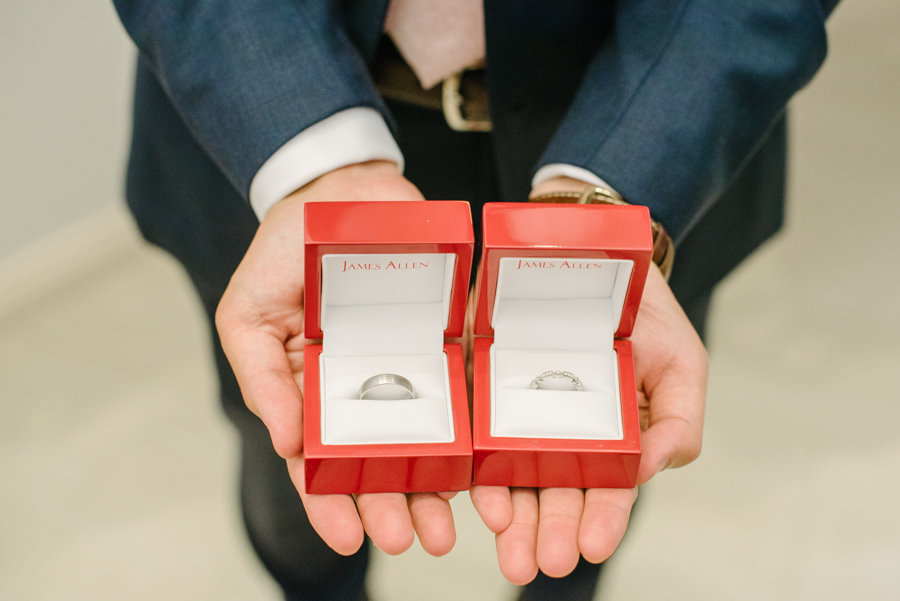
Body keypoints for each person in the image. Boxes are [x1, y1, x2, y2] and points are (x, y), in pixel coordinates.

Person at [113, 1, 839, 599]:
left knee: (587, 487)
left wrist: (603, 204)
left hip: (638, 137)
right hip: (270, 127)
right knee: (290, 474)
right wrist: (321, 170)